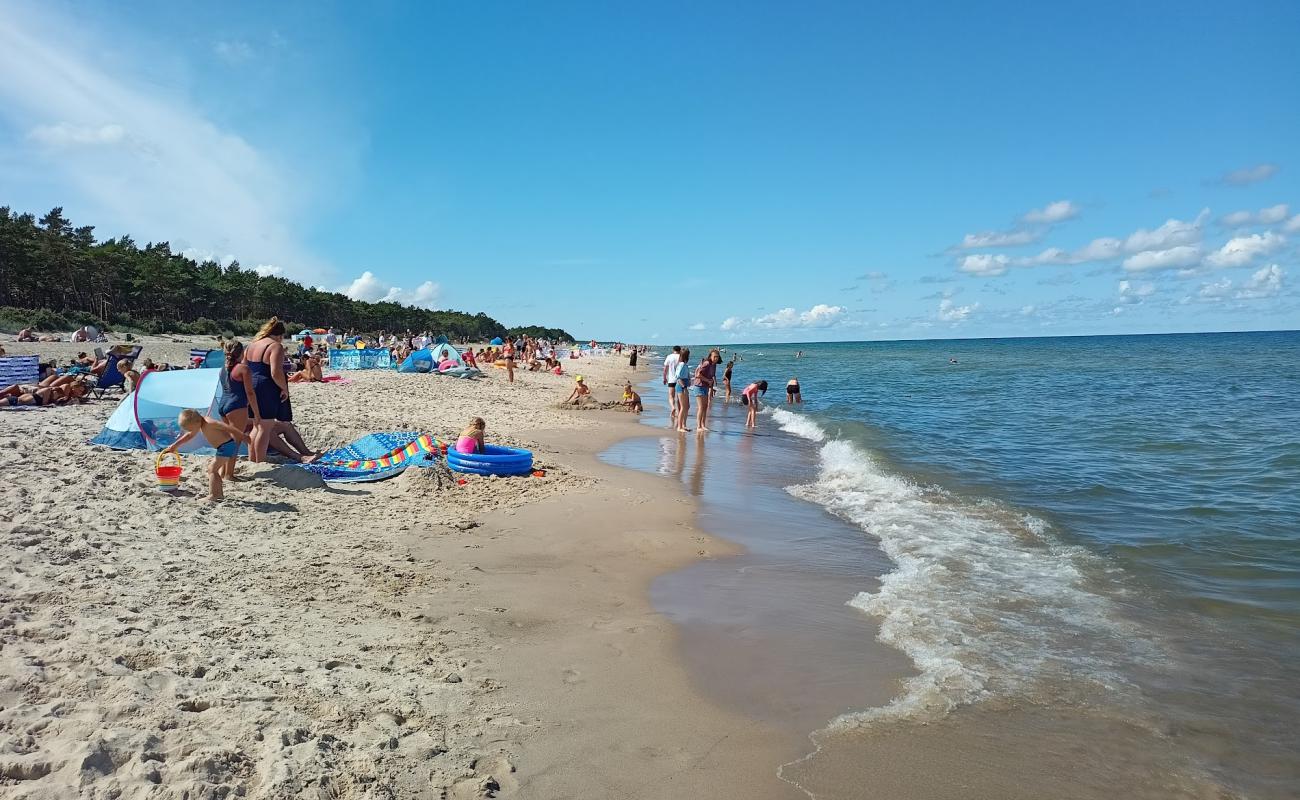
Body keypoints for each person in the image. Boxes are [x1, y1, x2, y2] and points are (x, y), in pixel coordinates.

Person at [164, 409, 246, 502]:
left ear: (197, 422)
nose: (191, 431)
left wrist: (243, 436)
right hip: (223, 447)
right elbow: (189, 435)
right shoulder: (199, 423)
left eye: (191, 429)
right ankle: (219, 494)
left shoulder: (209, 422)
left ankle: (214, 495)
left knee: (212, 469)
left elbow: (227, 427)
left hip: (226, 446)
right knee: (214, 470)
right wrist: (174, 446)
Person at [244, 316, 290, 463]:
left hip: (251, 384)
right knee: (265, 426)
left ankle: (253, 460)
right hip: (266, 386)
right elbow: (275, 372)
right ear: (280, 335)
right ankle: (261, 461)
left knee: (256, 426)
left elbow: (245, 366)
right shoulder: (275, 346)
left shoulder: (252, 345)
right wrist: (284, 389)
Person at [218, 342, 258, 460]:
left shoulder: (222, 369)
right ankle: (229, 474)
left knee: (228, 441)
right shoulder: (243, 369)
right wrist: (256, 413)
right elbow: (250, 393)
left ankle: (223, 470)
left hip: (223, 404)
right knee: (236, 441)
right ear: (242, 353)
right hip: (236, 405)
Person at [693, 349, 720, 432]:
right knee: (701, 407)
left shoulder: (714, 365)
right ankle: (698, 426)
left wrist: (711, 387)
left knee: (705, 407)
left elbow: (711, 376)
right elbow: (698, 375)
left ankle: (703, 425)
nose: (716, 358)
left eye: (717, 357)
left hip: (705, 387)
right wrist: (708, 381)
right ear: (710, 356)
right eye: (714, 357)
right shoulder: (707, 363)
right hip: (699, 386)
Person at [673, 348, 692, 432]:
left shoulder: (684, 364)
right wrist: (684, 387)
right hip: (681, 386)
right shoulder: (681, 365)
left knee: (687, 406)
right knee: (683, 407)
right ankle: (679, 427)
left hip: (684, 386)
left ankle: (684, 425)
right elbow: (678, 377)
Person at [662, 345, 681, 417]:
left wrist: (664, 378)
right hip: (679, 380)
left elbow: (665, 369)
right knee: (679, 397)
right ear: (679, 350)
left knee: (671, 396)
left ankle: (673, 407)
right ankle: (679, 412)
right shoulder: (681, 357)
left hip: (671, 379)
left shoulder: (669, 356)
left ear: (673, 350)